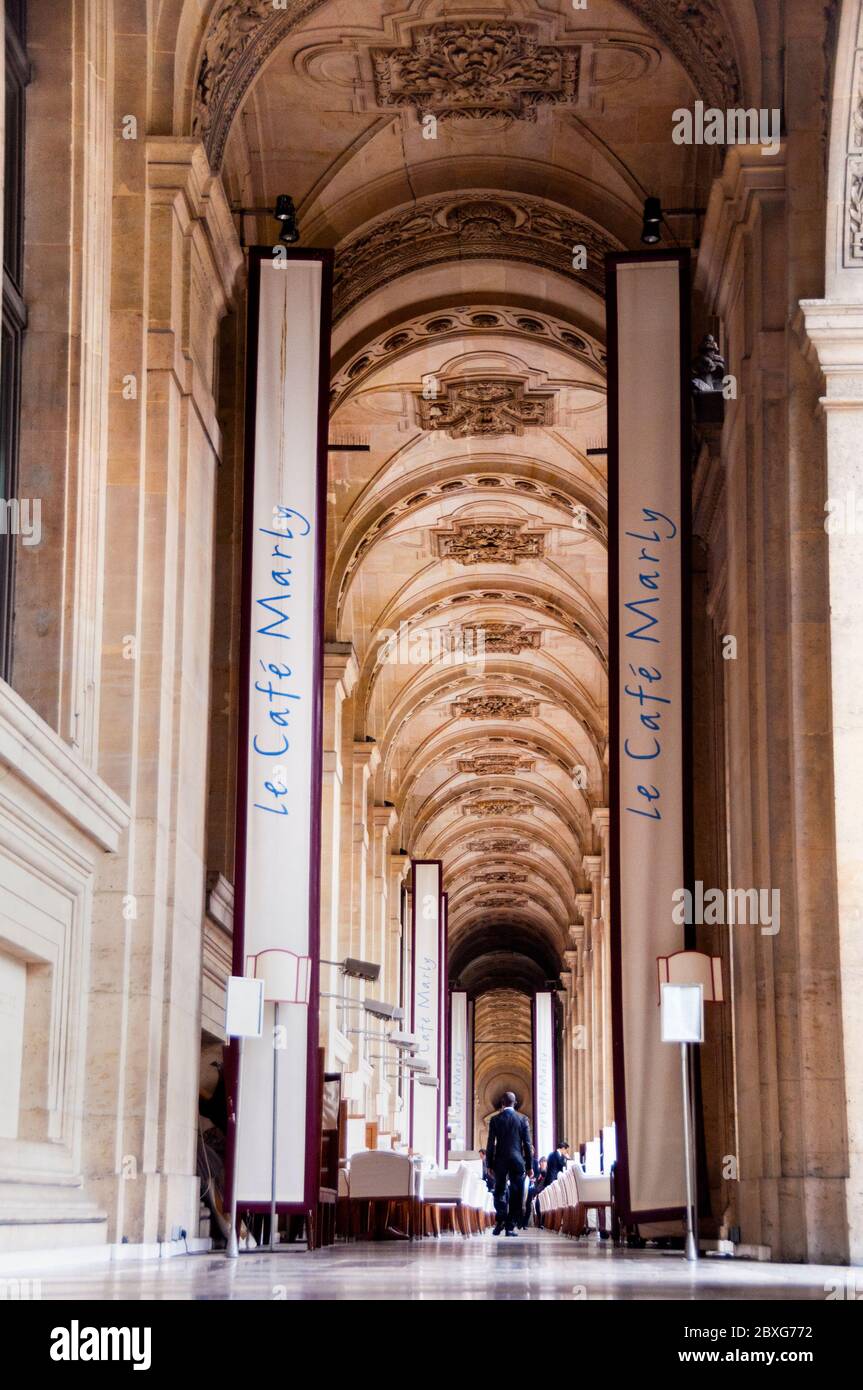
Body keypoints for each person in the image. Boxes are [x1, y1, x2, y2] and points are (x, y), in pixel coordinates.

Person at [485, 1091, 533, 1236]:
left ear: (502, 1103)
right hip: (517, 1160)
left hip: (500, 1160)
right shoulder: (522, 1119)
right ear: (515, 1103)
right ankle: (510, 1227)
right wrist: (529, 1166)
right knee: (516, 1193)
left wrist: (489, 1164)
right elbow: (527, 1144)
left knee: (499, 1191)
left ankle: (500, 1220)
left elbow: (490, 1144)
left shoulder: (495, 1120)